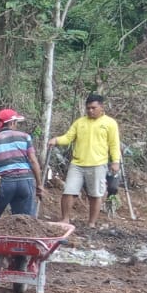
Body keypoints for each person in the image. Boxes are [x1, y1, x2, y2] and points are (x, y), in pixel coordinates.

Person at [47, 93, 122, 227]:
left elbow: (114, 144)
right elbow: (68, 137)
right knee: (69, 191)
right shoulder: (80, 122)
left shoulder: (110, 123)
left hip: (98, 164)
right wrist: (56, 140)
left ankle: (91, 223)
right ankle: (65, 219)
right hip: (77, 164)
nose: (90, 111)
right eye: (88, 108)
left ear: (101, 107)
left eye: (93, 108)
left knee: (95, 194)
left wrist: (115, 161)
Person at [0, 108, 44, 220]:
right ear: (12, 123)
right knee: (25, 220)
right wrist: (39, 185)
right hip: (25, 182)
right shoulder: (25, 137)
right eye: (16, 122)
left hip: (4, 183)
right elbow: (33, 161)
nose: (16, 125)